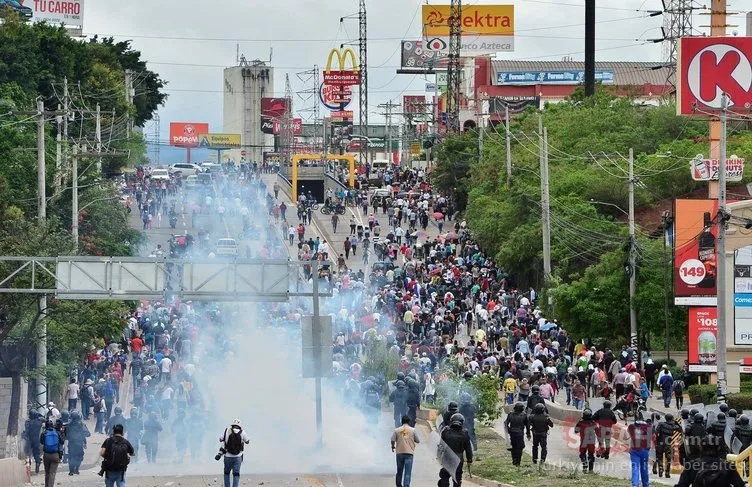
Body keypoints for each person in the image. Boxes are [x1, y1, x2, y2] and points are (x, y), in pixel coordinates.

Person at [674, 435, 745, 487]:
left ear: (701, 448)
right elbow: (740, 485)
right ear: (718, 448)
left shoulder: (691, 466)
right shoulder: (728, 466)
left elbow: (682, 485)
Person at [437, 413, 473, 487]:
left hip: (447, 459)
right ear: (462, 422)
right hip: (458, 460)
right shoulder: (464, 433)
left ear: (452, 421)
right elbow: (468, 448)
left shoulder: (445, 431)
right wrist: (469, 460)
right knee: (457, 479)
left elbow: (441, 445)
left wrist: (439, 455)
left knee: (444, 477)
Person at [219, 419, 250, 487]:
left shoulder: (227, 430)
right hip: (238, 457)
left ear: (232, 425)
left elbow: (220, 439)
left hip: (227, 456)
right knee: (236, 474)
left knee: (226, 473)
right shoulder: (242, 432)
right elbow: (247, 441)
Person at [391, 415, 420, 487]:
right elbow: (418, 441)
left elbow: (392, 440)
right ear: (409, 422)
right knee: (407, 472)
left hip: (399, 453)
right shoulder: (413, 430)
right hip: (409, 454)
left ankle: (398, 485)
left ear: (402, 422)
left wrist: (393, 446)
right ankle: (406, 486)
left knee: (399, 471)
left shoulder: (397, 430)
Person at [654, 412, 681, 478]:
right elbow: (680, 430)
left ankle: (660, 468)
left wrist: (656, 441)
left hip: (660, 442)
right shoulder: (673, 426)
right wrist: (676, 423)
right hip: (668, 444)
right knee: (668, 458)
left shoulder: (661, 424)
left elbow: (656, 432)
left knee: (659, 457)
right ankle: (667, 472)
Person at [627, 414, 652, 487]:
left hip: (635, 450)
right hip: (645, 450)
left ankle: (635, 484)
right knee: (644, 468)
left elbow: (630, 433)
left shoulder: (632, 427)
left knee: (635, 467)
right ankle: (646, 484)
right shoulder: (649, 427)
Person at [504, 402, 530, 467]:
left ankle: (514, 460)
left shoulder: (510, 414)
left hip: (512, 433)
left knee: (514, 447)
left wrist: (509, 430)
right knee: (520, 448)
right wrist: (528, 433)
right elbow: (527, 425)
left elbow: (506, 423)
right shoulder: (524, 415)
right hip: (520, 434)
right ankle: (518, 462)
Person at [65, 411, 90, 476]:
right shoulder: (81, 424)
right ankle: (76, 469)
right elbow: (87, 433)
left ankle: (71, 471)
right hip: (79, 444)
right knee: (79, 457)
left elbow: (65, 435)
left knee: (71, 457)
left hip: (71, 444)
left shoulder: (68, 425)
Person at [575, 409, 599, 473]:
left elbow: (576, 431)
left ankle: (585, 465)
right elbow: (598, 431)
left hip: (583, 441)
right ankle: (591, 470)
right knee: (591, 454)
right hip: (591, 441)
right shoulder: (593, 423)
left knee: (582, 454)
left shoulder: (580, 422)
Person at [40, 419, 63, 487]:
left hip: (46, 455)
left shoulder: (44, 433)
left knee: (47, 472)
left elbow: (41, 442)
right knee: (52, 473)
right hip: (55, 455)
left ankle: (47, 486)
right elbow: (62, 441)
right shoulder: (57, 432)